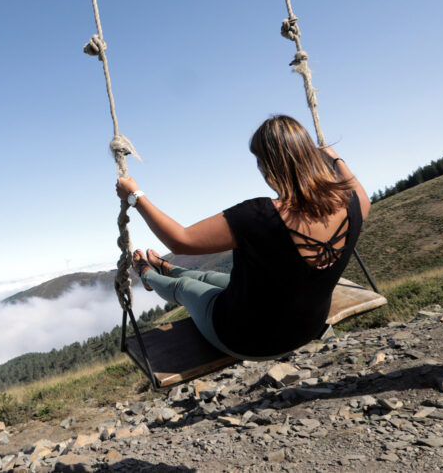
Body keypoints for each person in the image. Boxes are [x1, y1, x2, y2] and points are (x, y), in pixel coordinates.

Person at [115, 114, 371, 360]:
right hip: (307, 326)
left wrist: (136, 196)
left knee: (184, 288)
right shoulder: (352, 205)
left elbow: (180, 240)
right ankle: (167, 267)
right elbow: (360, 193)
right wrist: (335, 158)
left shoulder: (260, 215)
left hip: (246, 338)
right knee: (206, 277)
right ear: (311, 154)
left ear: (268, 166)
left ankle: (147, 273)